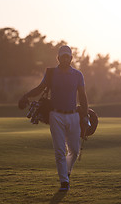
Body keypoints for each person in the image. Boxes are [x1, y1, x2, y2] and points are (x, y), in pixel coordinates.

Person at [18, 45, 88, 192]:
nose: (65, 59)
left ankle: (67, 172)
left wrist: (85, 115)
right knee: (59, 150)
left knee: (74, 150)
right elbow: (40, 88)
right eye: (62, 56)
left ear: (71, 58)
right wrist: (26, 95)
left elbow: (82, 96)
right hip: (56, 115)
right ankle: (64, 182)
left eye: (67, 56)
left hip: (73, 115)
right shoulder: (51, 74)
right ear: (58, 58)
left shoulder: (78, 75)